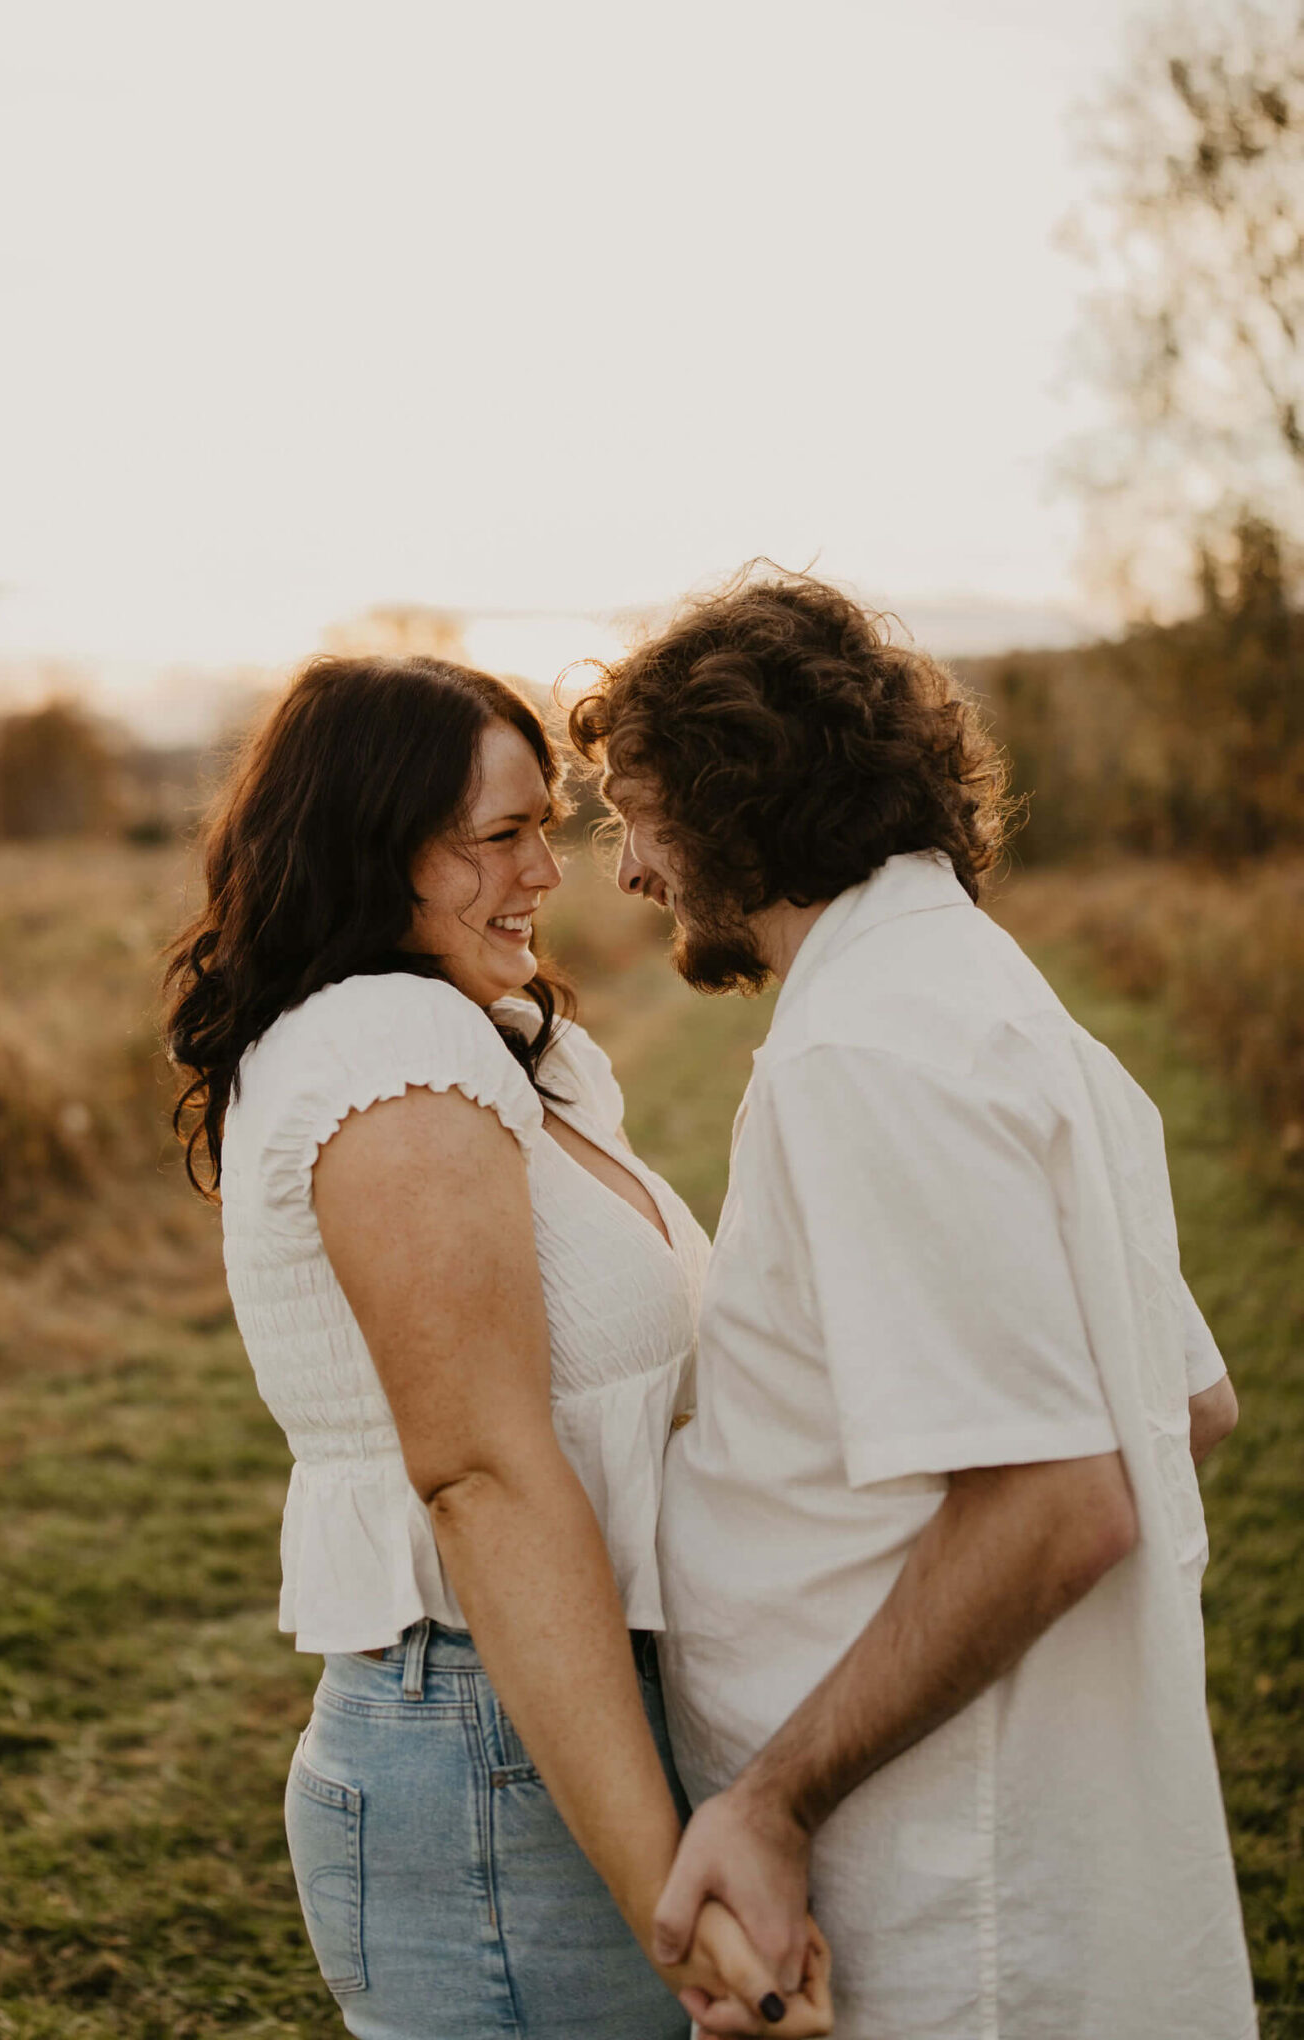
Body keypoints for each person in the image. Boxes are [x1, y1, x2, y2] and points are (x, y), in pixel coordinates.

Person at [568, 567, 1255, 2040]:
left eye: (636, 811)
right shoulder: (974, 996)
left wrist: (771, 1797)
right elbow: (1185, 1402)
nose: (627, 867)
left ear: (735, 788)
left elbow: (1062, 1501)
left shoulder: (871, 1054)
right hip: (976, 1835)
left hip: (953, 1898)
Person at [162, 654, 831, 2040]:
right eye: (499, 837)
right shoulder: (386, 1053)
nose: (548, 872)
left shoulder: (502, 1045)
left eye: (549, 824)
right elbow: (484, 1475)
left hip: (564, 1722)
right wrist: (678, 1908)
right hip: (494, 1757)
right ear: (370, 847)